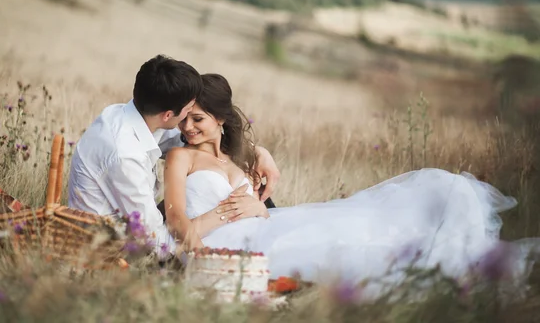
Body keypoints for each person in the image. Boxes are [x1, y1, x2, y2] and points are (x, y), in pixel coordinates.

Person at [164, 73, 540, 297]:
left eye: (197, 119)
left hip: (271, 225)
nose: (187, 128)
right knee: (350, 247)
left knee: (435, 192)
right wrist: (224, 215)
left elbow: (259, 210)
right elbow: (177, 225)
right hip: (228, 246)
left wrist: (258, 207)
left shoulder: (237, 158)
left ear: (222, 119)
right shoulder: (182, 157)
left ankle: (469, 259)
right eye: (184, 120)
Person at [68, 55, 280, 257]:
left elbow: (196, 138)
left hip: (148, 227)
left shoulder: (133, 115)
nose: (187, 127)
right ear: (169, 115)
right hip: (110, 246)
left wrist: (258, 152)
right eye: (187, 113)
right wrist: (222, 217)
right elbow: (156, 240)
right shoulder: (124, 156)